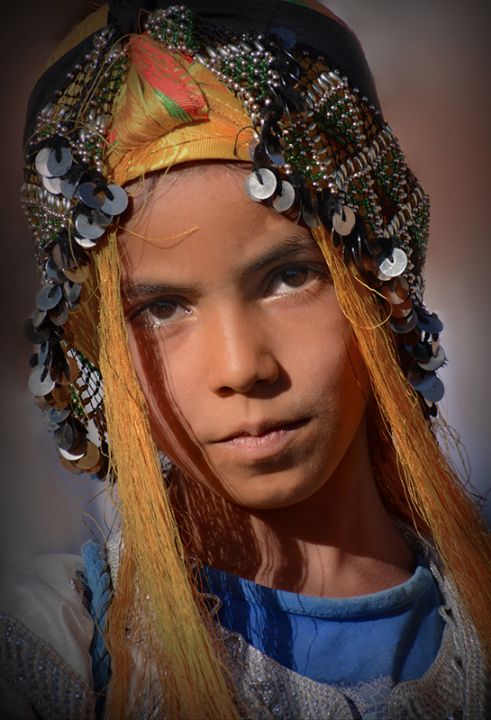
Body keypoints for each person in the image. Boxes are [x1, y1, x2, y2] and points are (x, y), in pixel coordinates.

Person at [1, 1, 490, 718]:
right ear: (93, 342)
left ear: (379, 280)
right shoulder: (52, 654)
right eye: (160, 309)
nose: (240, 368)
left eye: (289, 277)